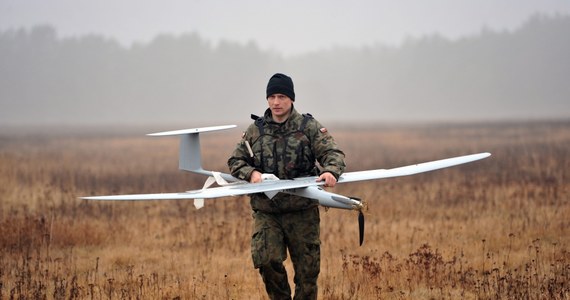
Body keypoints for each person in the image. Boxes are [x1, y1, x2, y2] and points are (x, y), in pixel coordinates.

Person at [227, 73, 346, 299]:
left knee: (307, 274)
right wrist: (251, 173)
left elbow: (333, 153)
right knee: (267, 260)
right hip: (267, 212)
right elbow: (235, 160)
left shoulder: (308, 127)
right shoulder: (255, 131)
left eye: (281, 96)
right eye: (271, 97)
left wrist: (331, 171)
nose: (276, 102)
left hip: (302, 212)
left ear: (291, 98)